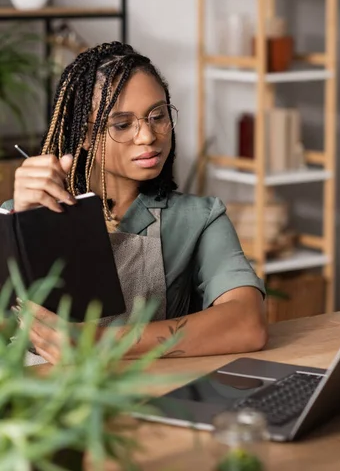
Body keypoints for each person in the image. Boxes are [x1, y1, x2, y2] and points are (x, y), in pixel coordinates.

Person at [2, 42, 267, 365]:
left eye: (157, 116)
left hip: (152, 398)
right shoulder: (24, 212)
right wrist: (27, 223)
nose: (147, 136)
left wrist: (99, 344)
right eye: (122, 124)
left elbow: (247, 323)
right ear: (84, 135)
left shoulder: (198, 219)